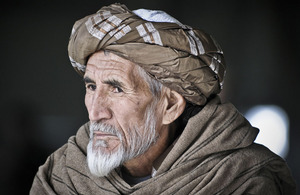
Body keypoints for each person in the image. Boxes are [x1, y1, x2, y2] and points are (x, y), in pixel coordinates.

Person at [30, 3, 296, 194]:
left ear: (170, 105)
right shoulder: (63, 175)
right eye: (91, 87)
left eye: (116, 89)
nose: (95, 112)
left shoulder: (241, 181)